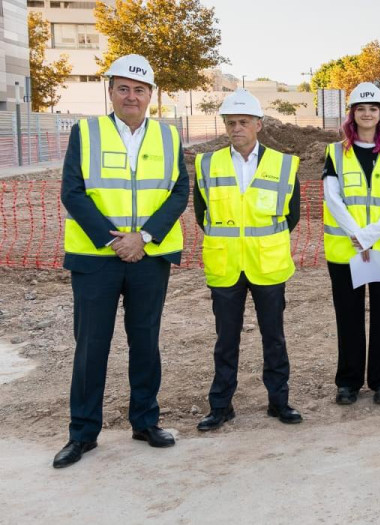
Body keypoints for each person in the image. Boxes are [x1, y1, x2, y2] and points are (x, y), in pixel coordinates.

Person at [53, 54, 189, 468]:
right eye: (124, 88)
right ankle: (82, 433)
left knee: (145, 342)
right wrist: (115, 241)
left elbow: (179, 192)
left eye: (140, 89)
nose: (132, 96)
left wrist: (144, 237)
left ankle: (145, 421)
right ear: (111, 91)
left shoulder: (168, 136)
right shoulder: (87, 131)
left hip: (149, 256)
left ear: (151, 95)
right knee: (91, 345)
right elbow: (72, 191)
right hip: (97, 258)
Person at [193, 89, 302, 430]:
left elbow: (292, 214)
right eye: (230, 123)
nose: (236, 128)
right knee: (226, 340)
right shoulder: (207, 164)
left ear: (258, 124)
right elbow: (201, 213)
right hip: (226, 265)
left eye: (242, 122)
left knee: (274, 338)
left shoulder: (283, 164)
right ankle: (221, 406)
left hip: (267, 265)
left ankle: (278, 402)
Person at [323, 82, 380, 406]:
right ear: (352, 115)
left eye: (373, 108)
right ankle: (348, 382)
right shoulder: (335, 153)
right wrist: (356, 234)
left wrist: (370, 235)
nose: (367, 113)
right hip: (346, 250)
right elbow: (333, 198)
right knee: (349, 316)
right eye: (361, 108)